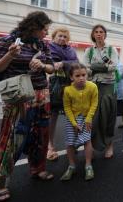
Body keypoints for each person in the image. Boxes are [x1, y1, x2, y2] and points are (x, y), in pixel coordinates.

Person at [0, 11, 55, 201]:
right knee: (12, 138)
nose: (46, 33)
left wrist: (42, 66)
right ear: (33, 26)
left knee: (40, 135)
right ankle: (1, 182)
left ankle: (38, 168)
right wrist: (10, 55)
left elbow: (51, 67)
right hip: (18, 96)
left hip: (42, 94)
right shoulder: (8, 41)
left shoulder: (42, 44)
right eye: (44, 29)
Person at [84, 24, 118, 159]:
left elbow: (113, 67)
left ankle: (109, 144)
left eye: (101, 32)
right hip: (93, 86)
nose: (99, 34)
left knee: (108, 116)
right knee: (93, 117)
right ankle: (91, 146)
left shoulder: (111, 50)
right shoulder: (89, 51)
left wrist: (94, 67)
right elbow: (85, 69)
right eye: (96, 32)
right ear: (93, 35)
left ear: (105, 34)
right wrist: (102, 67)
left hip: (108, 85)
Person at [60, 63, 98, 181]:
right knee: (70, 142)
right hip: (72, 119)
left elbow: (94, 103)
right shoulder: (67, 90)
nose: (81, 78)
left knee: (87, 140)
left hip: (87, 118)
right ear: (71, 77)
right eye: (77, 76)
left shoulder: (92, 87)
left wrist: (88, 119)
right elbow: (67, 107)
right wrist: (74, 123)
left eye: (83, 75)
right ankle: (71, 166)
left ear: (87, 75)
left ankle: (88, 165)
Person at [47, 26, 78, 161]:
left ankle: (72, 144)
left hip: (69, 84)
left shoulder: (70, 49)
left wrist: (63, 62)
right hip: (55, 85)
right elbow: (50, 64)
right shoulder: (49, 48)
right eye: (60, 36)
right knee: (52, 116)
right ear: (54, 37)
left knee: (71, 115)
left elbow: (76, 63)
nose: (62, 38)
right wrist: (66, 64)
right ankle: (50, 146)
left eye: (65, 37)